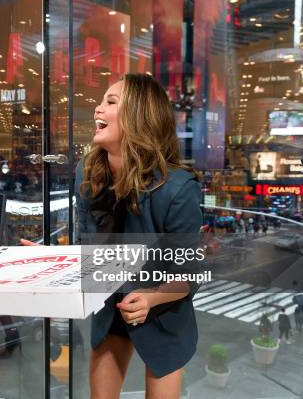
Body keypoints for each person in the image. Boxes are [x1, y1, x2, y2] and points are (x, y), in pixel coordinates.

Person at [75, 74, 202, 398]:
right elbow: (86, 248)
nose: (97, 108)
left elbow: (189, 273)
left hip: (163, 314)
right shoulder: (87, 174)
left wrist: (152, 298)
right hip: (111, 308)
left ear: (139, 117)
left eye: (110, 102)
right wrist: (47, 261)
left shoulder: (178, 188)